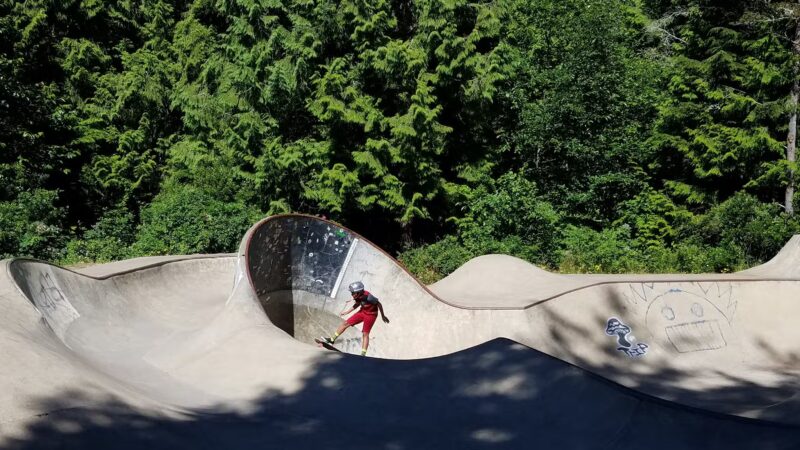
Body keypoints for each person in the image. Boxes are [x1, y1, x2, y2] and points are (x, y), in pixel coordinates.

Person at [320, 281, 389, 356]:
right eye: (351, 293)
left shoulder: (369, 297)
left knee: (365, 334)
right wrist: (347, 312)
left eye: (353, 293)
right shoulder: (357, 296)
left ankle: (363, 354)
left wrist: (383, 316)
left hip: (371, 315)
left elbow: (379, 304)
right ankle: (332, 340)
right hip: (362, 312)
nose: (352, 295)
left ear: (359, 292)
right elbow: (357, 304)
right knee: (345, 323)